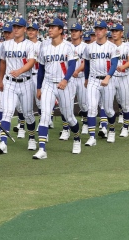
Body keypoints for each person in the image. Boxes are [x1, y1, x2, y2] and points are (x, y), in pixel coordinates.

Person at [34, 18, 81, 159]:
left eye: (53, 27)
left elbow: (72, 65)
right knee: (44, 116)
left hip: (64, 85)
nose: (50, 29)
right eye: (49, 27)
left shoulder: (68, 47)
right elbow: (41, 68)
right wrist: (38, 87)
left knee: (69, 117)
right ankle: (42, 149)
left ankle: (77, 138)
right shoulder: (44, 46)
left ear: (60, 30)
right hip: (48, 83)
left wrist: (65, 80)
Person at [0, 17, 37, 154]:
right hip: (9, 82)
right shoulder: (5, 45)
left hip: (25, 82)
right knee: (7, 112)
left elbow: (31, 62)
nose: (16, 29)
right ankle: (3, 142)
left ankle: (31, 138)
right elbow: (2, 63)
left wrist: (19, 71)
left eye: (19, 27)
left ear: (25, 29)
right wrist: (0, 80)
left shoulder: (30, 45)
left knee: (28, 113)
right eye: (15, 27)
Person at [83, 20, 120, 146]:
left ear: (105, 31)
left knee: (109, 110)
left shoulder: (112, 47)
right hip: (93, 79)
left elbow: (114, 64)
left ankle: (112, 130)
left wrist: (108, 77)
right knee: (91, 108)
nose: (98, 31)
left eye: (100, 29)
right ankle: (92, 137)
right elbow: (87, 64)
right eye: (96, 29)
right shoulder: (89, 47)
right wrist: (86, 79)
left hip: (107, 80)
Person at [110, 23, 129, 137]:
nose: (114, 33)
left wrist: (123, 67)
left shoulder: (127, 47)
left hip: (124, 78)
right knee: (106, 104)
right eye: (113, 31)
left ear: (121, 33)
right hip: (111, 78)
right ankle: (107, 127)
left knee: (125, 105)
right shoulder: (108, 46)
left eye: (117, 31)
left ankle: (125, 127)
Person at [0, 21, 14, 142]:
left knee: (22, 109)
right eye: (5, 32)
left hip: (19, 80)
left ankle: (22, 127)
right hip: (4, 78)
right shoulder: (1, 46)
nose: (7, 34)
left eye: (8, 32)